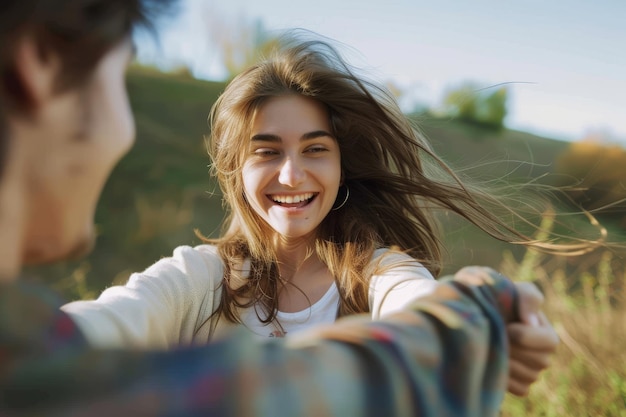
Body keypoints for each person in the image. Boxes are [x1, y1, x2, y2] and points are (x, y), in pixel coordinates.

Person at [62, 31, 563, 399]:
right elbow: (103, 324)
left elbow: (423, 310)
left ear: (342, 165)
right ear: (237, 169)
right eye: (267, 151)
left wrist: (484, 315)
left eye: (315, 149)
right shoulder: (198, 279)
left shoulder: (381, 276)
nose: (292, 174)